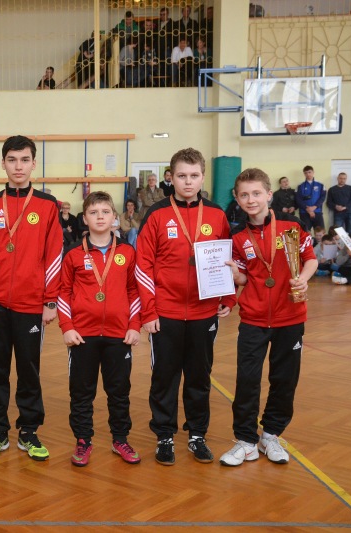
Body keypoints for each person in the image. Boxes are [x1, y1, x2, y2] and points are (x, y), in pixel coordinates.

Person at [135, 147, 235, 466]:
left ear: (203, 177)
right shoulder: (156, 214)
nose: (188, 182)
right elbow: (142, 265)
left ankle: (197, 435)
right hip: (165, 312)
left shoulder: (217, 214)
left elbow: (228, 260)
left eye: (194, 175)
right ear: (171, 178)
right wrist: (148, 311)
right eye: (181, 176)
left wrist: (228, 296)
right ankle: (164, 435)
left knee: (199, 377)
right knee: (164, 377)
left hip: (204, 312)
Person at [219, 168, 317, 467]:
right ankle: (246, 440)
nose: (251, 200)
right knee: (247, 380)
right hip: (254, 318)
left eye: (256, 193)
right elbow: (244, 278)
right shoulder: (238, 236)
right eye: (244, 195)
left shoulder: (291, 226)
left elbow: (310, 259)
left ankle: (271, 435)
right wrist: (235, 274)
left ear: (269, 194)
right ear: (237, 198)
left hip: (291, 316)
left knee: (284, 379)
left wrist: (303, 279)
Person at [0, 135, 62, 461]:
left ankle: (29, 430)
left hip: (31, 304)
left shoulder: (47, 206)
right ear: (3, 163)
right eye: (12, 160)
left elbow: (54, 255)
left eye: (24, 160)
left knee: (29, 371)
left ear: (34, 164)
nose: (18, 166)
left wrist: (50, 301)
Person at [59, 191, 141, 467]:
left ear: (114, 217)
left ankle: (120, 439)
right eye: (93, 213)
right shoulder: (73, 252)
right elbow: (63, 292)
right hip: (82, 335)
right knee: (81, 392)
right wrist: (67, 327)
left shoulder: (127, 252)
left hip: (119, 334)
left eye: (105, 212)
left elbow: (134, 290)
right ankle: (83, 440)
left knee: (119, 391)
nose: (100, 217)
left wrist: (134, 325)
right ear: (84, 218)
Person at [295, 165, 325, 231]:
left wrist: (314, 207)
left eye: (309, 172)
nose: (308, 174)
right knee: (305, 232)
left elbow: (322, 198)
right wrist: (307, 209)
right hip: (304, 213)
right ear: (304, 174)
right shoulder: (300, 186)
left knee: (320, 232)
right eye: (306, 173)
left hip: (317, 211)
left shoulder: (320, 185)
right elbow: (298, 200)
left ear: (313, 172)